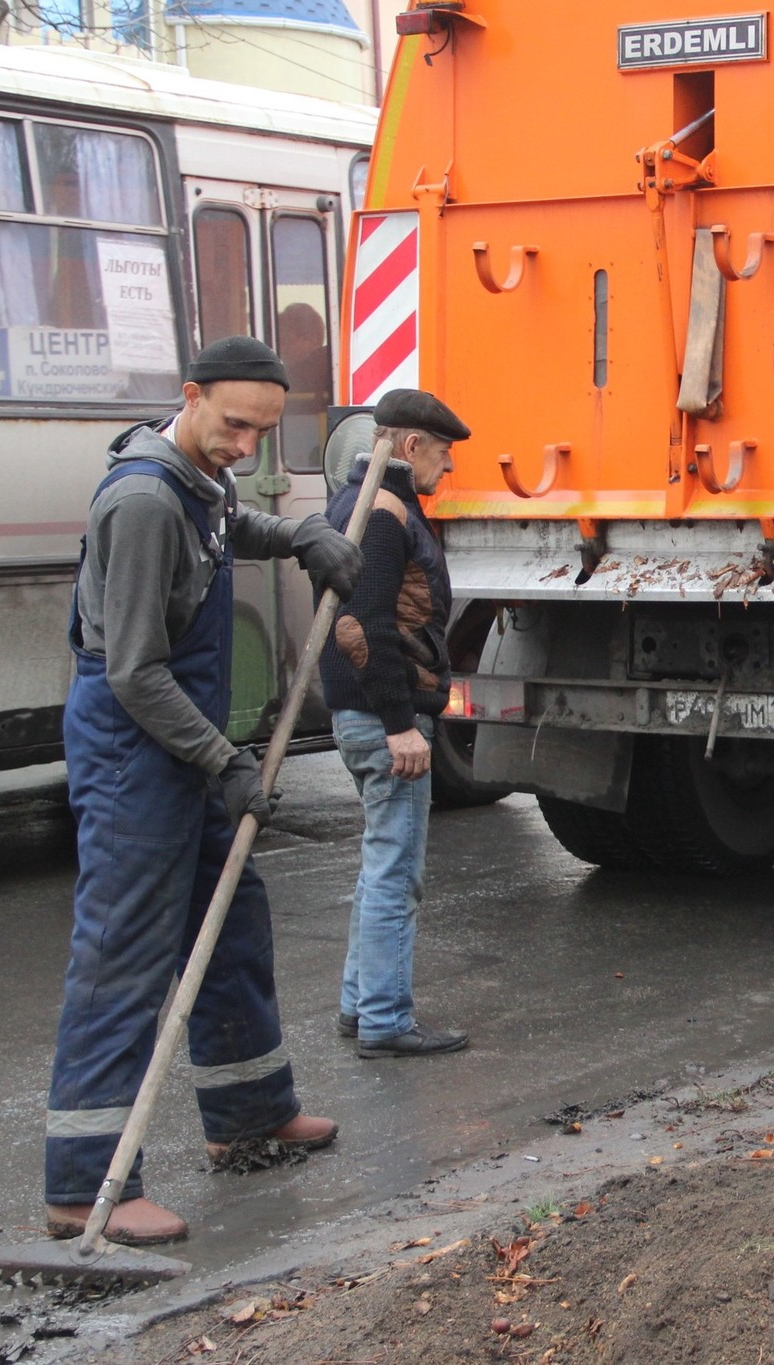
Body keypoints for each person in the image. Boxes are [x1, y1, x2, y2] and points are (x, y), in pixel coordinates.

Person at [45, 337, 363, 1246]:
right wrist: (223, 760)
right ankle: (81, 1183)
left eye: (265, 433)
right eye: (233, 425)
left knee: (230, 923)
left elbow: (228, 533)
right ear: (189, 396)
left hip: (175, 744)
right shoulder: (146, 499)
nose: (246, 448)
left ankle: (250, 1113)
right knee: (124, 957)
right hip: (133, 749)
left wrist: (300, 532)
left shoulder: (199, 479)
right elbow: (137, 673)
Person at [320, 390, 473, 1058]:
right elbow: (365, 625)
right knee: (395, 869)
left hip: (366, 714)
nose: (448, 469)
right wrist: (398, 724)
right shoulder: (384, 513)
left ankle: (361, 1004)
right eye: (443, 453)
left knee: (379, 858)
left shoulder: (356, 500)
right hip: (388, 714)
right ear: (410, 446)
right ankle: (385, 1018)